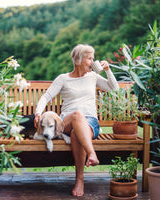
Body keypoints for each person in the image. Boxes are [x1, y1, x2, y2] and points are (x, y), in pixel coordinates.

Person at [34, 44, 119, 197]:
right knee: (77, 115)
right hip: (66, 121)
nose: (93, 62)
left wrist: (108, 70)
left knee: (76, 134)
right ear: (79, 60)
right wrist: (38, 114)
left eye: (93, 59)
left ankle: (79, 180)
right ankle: (92, 153)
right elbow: (46, 96)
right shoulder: (63, 79)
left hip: (90, 123)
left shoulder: (93, 77)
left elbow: (114, 89)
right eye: (89, 59)